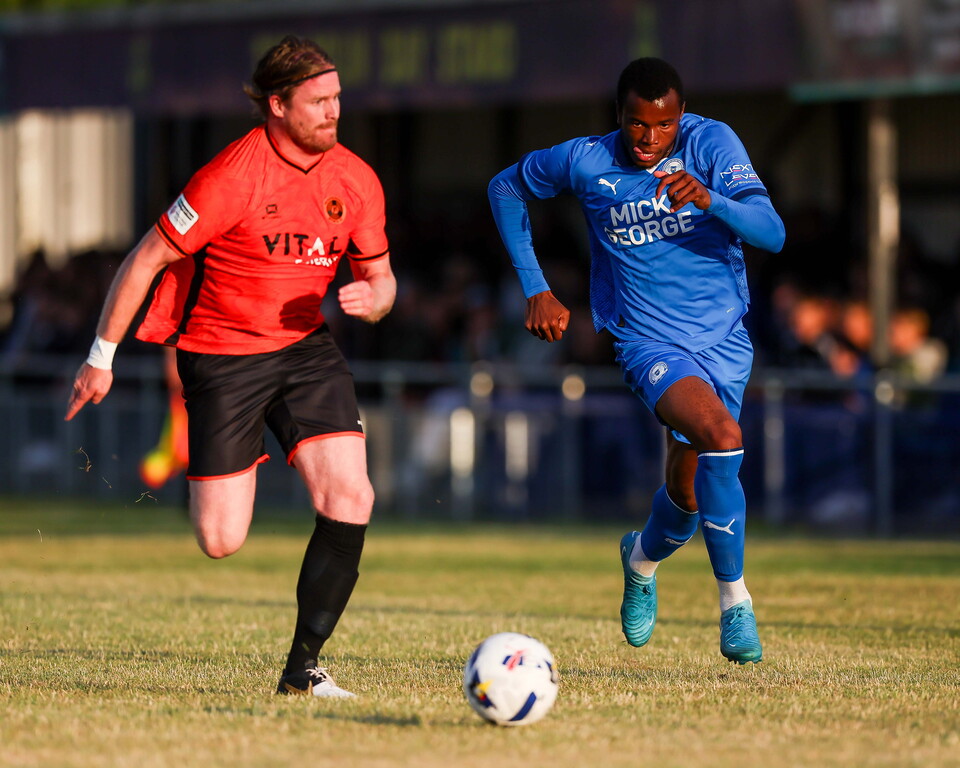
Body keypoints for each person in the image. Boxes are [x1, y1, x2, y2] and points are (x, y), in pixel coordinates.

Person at [65, 36, 396, 696]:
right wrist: (101, 355)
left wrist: (374, 300)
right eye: (318, 101)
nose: (334, 112)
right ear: (277, 105)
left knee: (351, 495)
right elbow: (146, 258)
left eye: (337, 99)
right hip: (221, 356)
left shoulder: (356, 179)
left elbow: (384, 281)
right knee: (220, 538)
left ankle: (304, 670)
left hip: (305, 350)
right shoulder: (228, 177)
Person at [488, 58, 784, 663]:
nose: (649, 139)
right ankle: (736, 605)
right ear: (617, 115)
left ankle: (640, 561)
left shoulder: (711, 143)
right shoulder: (585, 160)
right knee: (723, 437)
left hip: (724, 338)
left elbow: (772, 233)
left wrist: (713, 200)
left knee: (688, 493)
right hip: (647, 341)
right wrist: (535, 286)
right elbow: (505, 186)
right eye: (636, 124)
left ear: (681, 115)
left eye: (664, 125)